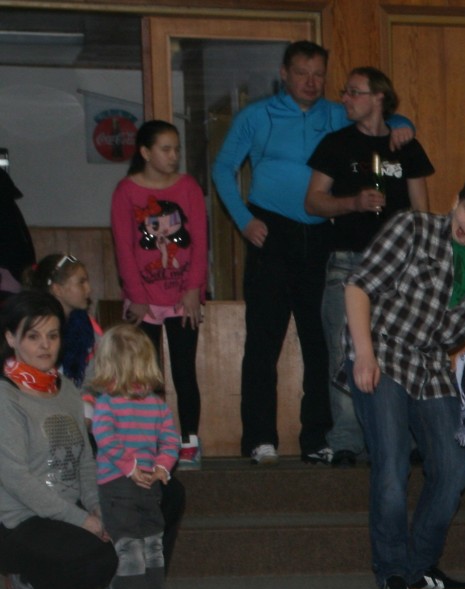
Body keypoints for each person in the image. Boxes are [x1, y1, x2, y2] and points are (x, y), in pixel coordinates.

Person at [212, 41, 411, 464]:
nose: (311, 81)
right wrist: (243, 220)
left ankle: (317, 437)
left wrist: (404, 125)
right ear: (284, 74)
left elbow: (385, 117)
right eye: (302, 73)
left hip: (323, 235)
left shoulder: (337, 113)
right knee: (263, 339)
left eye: (319, 74)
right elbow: (222, 168)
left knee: (322, 341)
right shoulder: (256, 115)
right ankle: (259, 438)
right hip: (270, 232)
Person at [344, 171, 465, 589]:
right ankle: (391, 572)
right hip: (383, 351)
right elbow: (358, 286)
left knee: (454, 471)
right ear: (456, 200)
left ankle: (419, 566)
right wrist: (363, 354)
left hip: (431, 365)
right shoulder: (414, 227)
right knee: (391, 466)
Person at [306, 66, 435, 467]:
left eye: (354, 92)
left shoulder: (405, 146)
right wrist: (352, 203)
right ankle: (346, 440)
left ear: (379, 97)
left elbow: (422, 210)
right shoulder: (336, 144)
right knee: (343, 350)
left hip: (398, 266)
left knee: (398, 350)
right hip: (348, 260)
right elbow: (313, 201)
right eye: (345, 92)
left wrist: (423, 262)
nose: (345, 98)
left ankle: (404, 439)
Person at [0, 291, 111, 589]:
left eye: (52, 335)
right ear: (11, 338)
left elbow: (85, 461)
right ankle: (27, 576)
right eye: (33, 336)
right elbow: (16, 479)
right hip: (19, 519)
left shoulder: (68, 390)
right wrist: (83, 521)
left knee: (162, 499)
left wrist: (97, 507)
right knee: (105, 557)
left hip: (64, 510)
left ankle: (120, 586)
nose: (45, 345)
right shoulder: (6, 397)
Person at [110, 120, 206, 465]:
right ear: (146, 152)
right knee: (144, 375)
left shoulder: (188, 187)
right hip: (143, 300)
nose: (174, 155)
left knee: (184, 371)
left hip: (183, 297)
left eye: (176, 149)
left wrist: (194, 288)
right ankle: (148, 444)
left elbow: (200, 241)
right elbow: (124, 247)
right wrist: (137, 295)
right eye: (166, 149)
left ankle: (189, 441)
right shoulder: (126, 191)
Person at [83, 324, 179, 589]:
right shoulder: (157, 405)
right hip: (150, 485)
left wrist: (129, 467)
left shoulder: (107, 403)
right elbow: (171, 441)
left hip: (117, 486)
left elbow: (105, 438)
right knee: (152, 544)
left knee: (127, 547)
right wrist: (161, 467)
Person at [26, 255, 98, 387]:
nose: (89, 289)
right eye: (81, 282)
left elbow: (97, 374)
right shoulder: (34, 327)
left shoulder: (87, 326)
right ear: (57, 289)